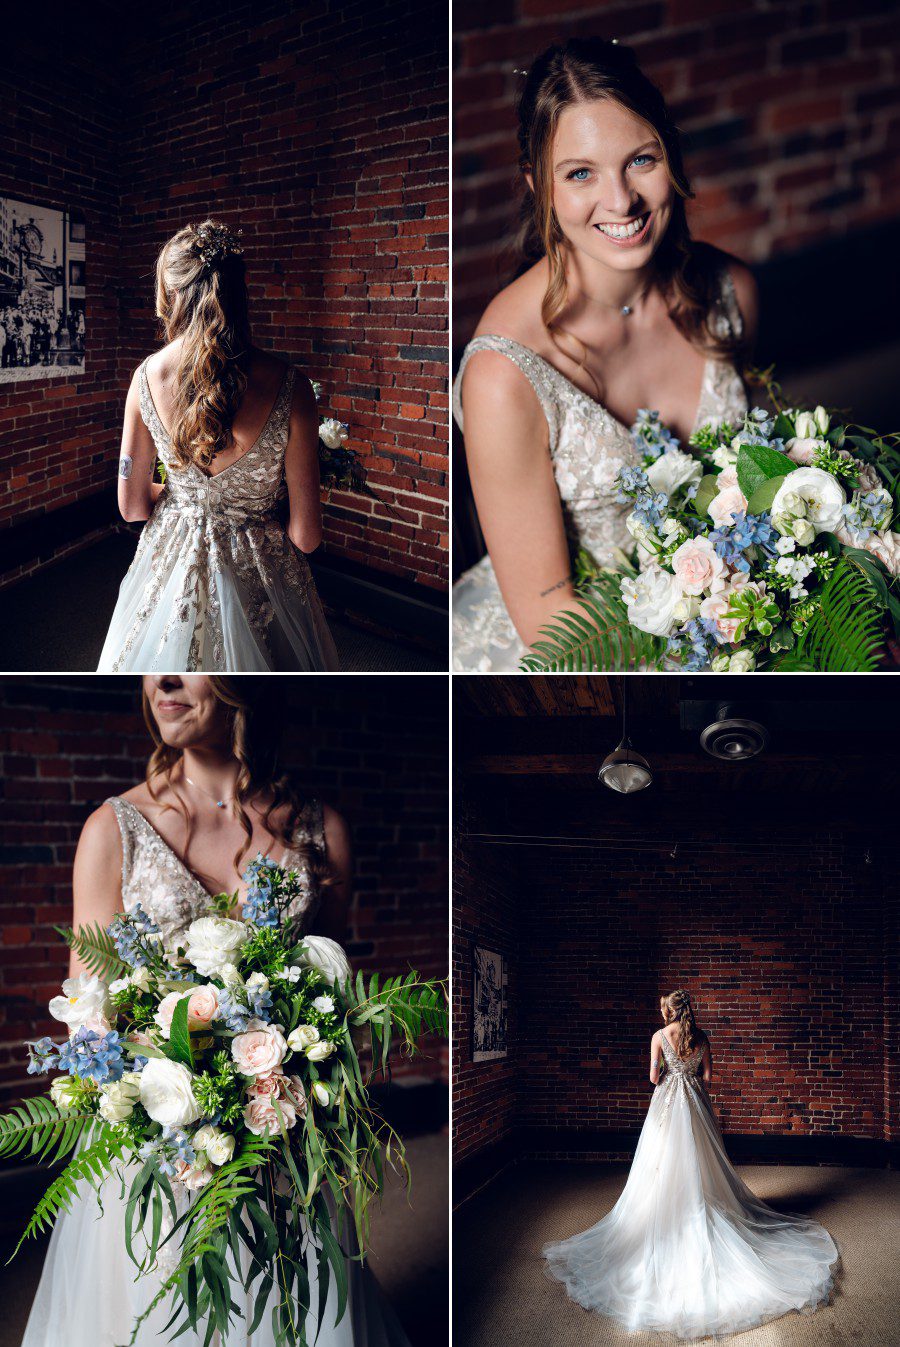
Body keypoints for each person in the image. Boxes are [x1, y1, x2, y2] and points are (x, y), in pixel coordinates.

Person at [21, 675, 409, 1347]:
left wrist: (286, 1083)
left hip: (281, 1126)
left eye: (191, 660)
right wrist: (166, 1100)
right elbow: (88, 1010)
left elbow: (331, 994)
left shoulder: (322, 831)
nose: (163, 680)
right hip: (158, 1133)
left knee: (286, 1298)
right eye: (156, 663)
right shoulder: (114, 829)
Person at [452, 37, 758, 671]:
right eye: (581, 173)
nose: (621, 202)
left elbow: (758, 475)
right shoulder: (502, 376)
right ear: (539, 187)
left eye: (641, 160)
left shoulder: (733, 295)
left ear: (671, 157)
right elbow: (548, 624)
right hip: (578, 654)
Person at [97, 219, 338, 672]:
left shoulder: (146, 378)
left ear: (169, 295)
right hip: (261, 572)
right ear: (239, 291)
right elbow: (306, 537)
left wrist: (169, 475)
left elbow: (132, 507)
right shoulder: (290, 386)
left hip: (168, 568)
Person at [543, 989, 838, 1339]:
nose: (660, 1012)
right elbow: (708, 1079)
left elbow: (654, 1078)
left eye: (662, 1008)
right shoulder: (701, 1038)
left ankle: (667, 1210)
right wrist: (692, 1083)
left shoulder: (658, 1037)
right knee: (701, 1160)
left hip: (667, 1104)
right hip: (694, 1105)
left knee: (660, 1162)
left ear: (670, 1011)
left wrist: (667, 1069)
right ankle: (701, 1205)